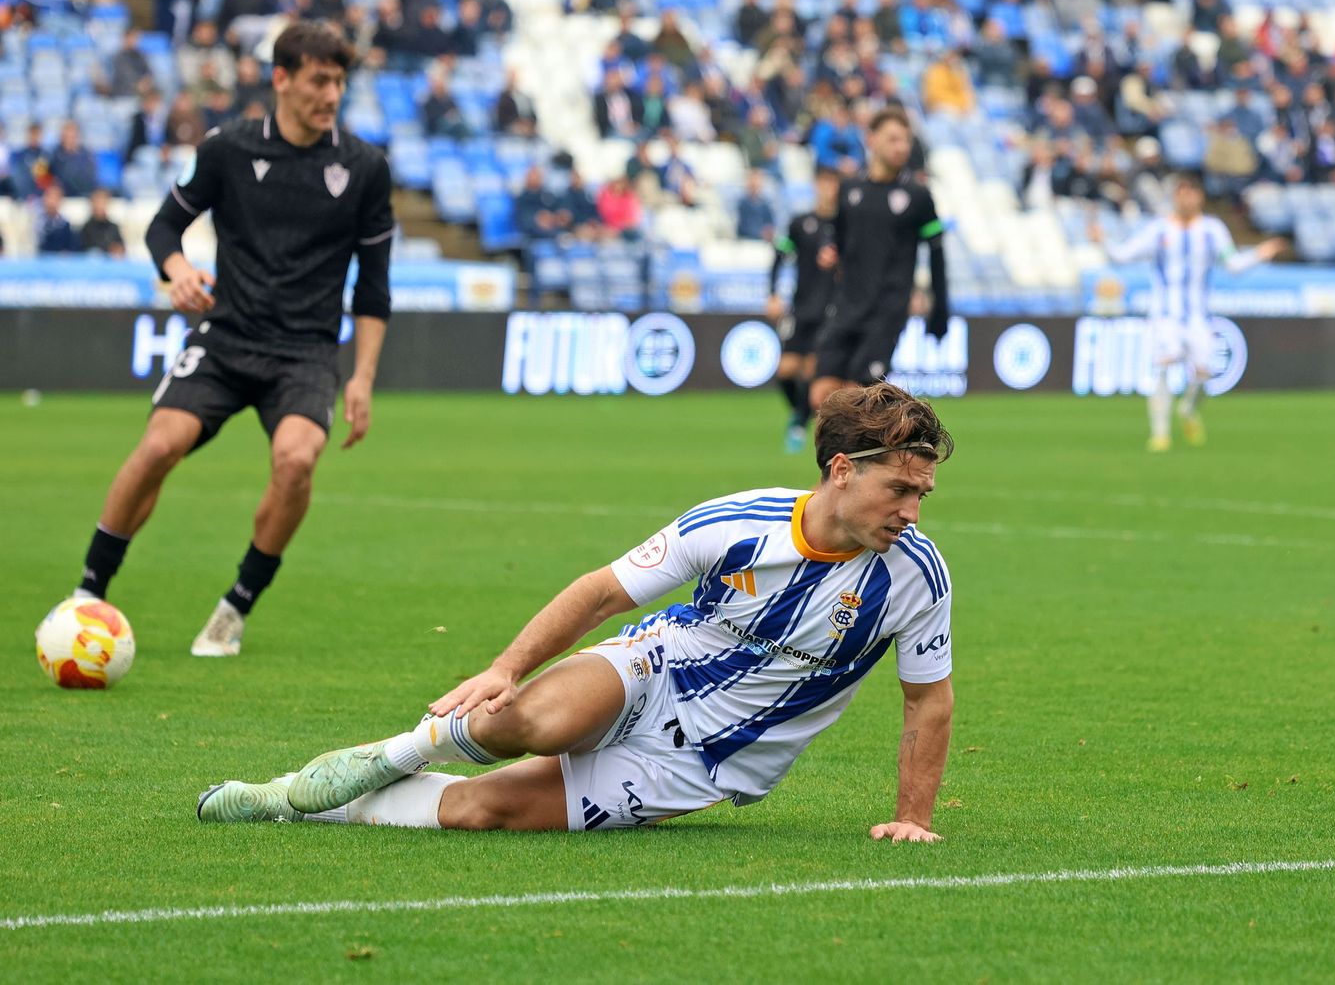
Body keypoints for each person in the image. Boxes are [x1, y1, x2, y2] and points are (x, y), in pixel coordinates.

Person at [198, 383, 957, 842]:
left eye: (923, 493)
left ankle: (303, 804)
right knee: (525, 721)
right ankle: (392, 753)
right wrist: (503, 668)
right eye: (901, 488)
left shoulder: (917, 577)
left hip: (703, 765)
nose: (913, 510)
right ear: (841, 470)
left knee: (478, 812)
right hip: (659, 666)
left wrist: (913, 816)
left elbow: (928, 697)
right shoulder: (734, 522)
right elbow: (601, 590)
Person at [72, 22, 397, 657]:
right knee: (160, 444)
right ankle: (88, 594)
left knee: (297, 461)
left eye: (339, 82)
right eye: (318, 80)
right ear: (281, 78)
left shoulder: (364, 168)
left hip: (304, 353)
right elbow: (163, 228)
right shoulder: (228, 148)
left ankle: (235, 607)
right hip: (226, 337)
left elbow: (375, 289)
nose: (331, 94)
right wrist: (179, 271)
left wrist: (361, 377)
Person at [1090, 174, 1285, 451]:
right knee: (1163, 366)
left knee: (1204, 372)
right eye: (1181, 193)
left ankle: (1188, 410)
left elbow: (1233, 264)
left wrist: (1259, 254)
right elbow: (1122, 256)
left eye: (1191, 193)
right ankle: (1160, 433)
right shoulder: (1158, 230)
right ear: (1175, 197)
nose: (1186, 198)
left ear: (1200, 197)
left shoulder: (1212, 230)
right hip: (1165, 315)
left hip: (1198, 316)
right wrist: (1103, 241)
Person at [808, 110, 948, 412]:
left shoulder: (918, 195)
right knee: (821, 394)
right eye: (893, 139)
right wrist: (829, 251)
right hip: (847, 305)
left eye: (905, 140)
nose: (901, 147)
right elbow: (836, 238)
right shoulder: (849, 190)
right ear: (871, 140)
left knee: (857, 398)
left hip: (887, 310)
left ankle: (862, 458)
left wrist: (940, 310)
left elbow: (937, 253)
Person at [768, 166, 840, 454]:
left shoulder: (845, 225)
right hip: (802, 309)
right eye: (823, 182)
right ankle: (801, 414)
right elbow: (779, 255)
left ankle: (798, 425)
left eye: (832, 183)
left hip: (832, 312)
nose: (827, 188)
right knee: (785, 370)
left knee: (812, 370)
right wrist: (773, 293)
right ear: (815, 186)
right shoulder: (801, 223)